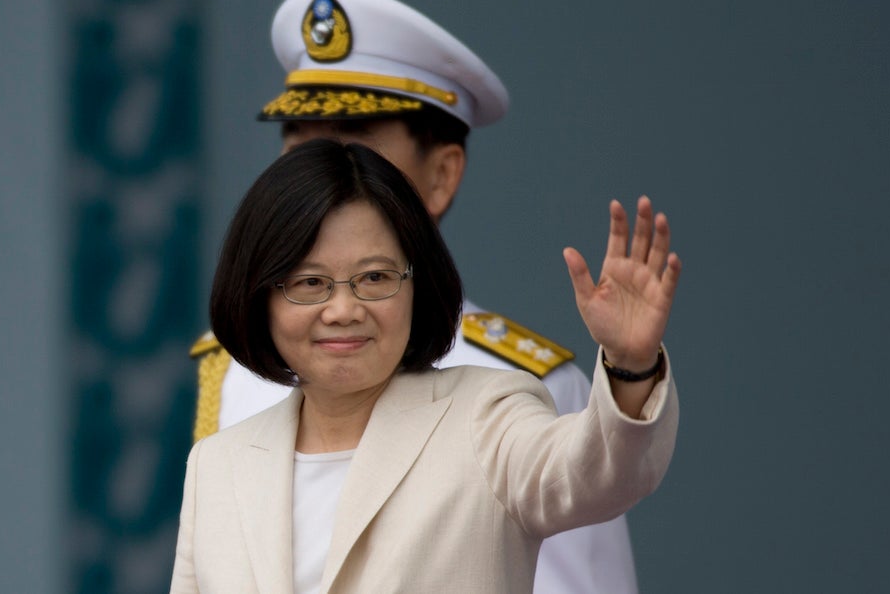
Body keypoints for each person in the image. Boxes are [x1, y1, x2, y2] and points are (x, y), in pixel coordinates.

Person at [188, 0, 657, 592]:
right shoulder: (230, 398)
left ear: (441, 176)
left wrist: (629, 366)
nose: (323, 175)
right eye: (301, 143)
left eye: (355, 146)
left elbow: (596, 489)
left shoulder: (506, 396)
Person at [171, 138, 681, 594]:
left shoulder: (487, 418)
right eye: (309, 283)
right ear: (261, 297)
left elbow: (599, 473)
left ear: (419, 284)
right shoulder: (217, 466)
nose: (344, 310)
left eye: (375, 278)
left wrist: (630, 363)